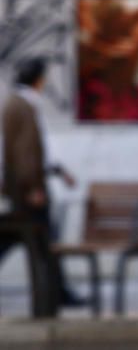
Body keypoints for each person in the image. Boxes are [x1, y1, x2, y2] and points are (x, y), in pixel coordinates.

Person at [1, 57, 83, 307]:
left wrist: (58, 171)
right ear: (38, 80)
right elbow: (25, 153)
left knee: (39, 241)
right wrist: (33, 188)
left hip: (22, 188)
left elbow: (37, 151)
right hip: (26, 191)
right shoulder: (23, 106)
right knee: (40, 240)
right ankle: (56, 294)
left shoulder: (18, 104)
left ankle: (57, 292)